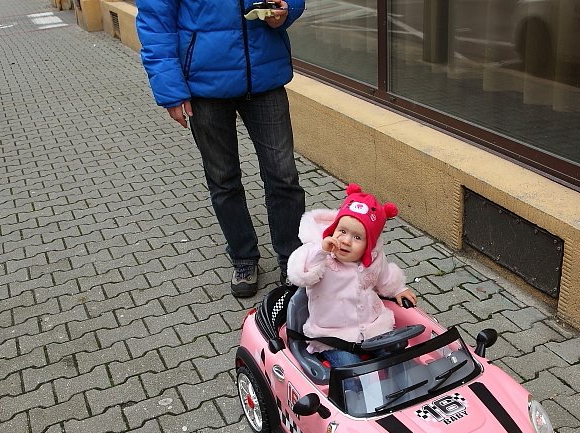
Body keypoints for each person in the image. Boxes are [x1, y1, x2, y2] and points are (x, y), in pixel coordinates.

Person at [136, 0, 307, 298]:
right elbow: (155, 23)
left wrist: (287, 9)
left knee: (284, 176)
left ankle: (293, 260)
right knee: (223, 179)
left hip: (264, 77)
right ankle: (243, 257)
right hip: (204, 87)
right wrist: (170, 89)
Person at [286, 184, 418, 368]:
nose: (346, 241)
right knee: (353, 371)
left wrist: (398, 289)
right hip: (334, 336)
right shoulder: (321, 256)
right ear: (333, 229)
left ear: (369, 244)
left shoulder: (374, 258)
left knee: (399, 358)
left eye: (357, 237)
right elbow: (300, 273)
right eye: (342, 231)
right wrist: (321, 251)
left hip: (373, 326)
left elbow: (385, 277)